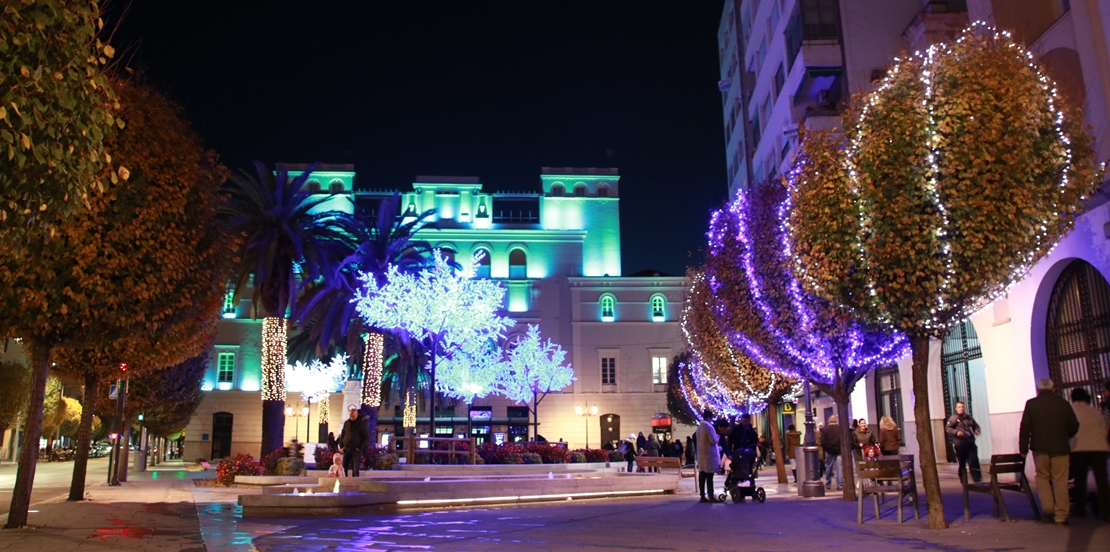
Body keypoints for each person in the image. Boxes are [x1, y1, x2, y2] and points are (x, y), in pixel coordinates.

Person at [1019, 378, 1080, 525]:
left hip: (1040, 448)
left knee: (1042, 478)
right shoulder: (1063, 404)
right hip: (1060, 448)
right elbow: (1074, 426)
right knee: (1060, 480)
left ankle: (1048, 509)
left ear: (1038, 390)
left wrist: (1023, 449)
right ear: (1053, 389)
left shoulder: (1031, 404)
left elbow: (1025, 427)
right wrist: (1065, 435)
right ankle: (1061, 515)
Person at [1069, 387, 1110, 520]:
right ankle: (1107, 511)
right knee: (1102, 480)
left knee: (1080, 479)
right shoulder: (1095, 411)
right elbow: (1104, 428)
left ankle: (1080, 507)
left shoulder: (1071, 410)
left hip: (1079, 448)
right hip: (1099, 448)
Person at [945, 401, 981, 483]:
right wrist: (956, 432)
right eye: (959, 407)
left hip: (970, 443)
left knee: (974, 461)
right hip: (960, 444)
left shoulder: (969, 418)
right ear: (956, 408)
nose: (961, 408)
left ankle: (977, 479)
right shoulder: (953, 418)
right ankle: (963, 479)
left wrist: (976, 430)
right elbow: (948, 428)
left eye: (962, 407)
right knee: (962, 463)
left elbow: (976, 426)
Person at [696, 410, 721, 503]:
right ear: (709, 417)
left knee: (702, 475)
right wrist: (718, 437)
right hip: (709, 454)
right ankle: (711, 495)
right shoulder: (708, 426)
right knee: (710, 476)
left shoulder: (699, 427)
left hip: (701, 454)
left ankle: (702, 495)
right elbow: (713, 441)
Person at [338, 405, 369, 477]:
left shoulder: (362, 424)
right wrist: (341, 446)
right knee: (344, 467)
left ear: (357, 415)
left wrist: (359, 447)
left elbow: (366, 437)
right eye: (350, 416)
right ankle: (344, 482)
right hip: (346, 448)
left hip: (356, 449)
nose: (352, 418)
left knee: (355, 468)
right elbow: (343, 435)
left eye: (353, 416)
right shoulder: (346, 423)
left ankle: (355, 483)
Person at [820, 415, 843, 490]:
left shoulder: (825, 429)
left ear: (829, 420)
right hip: (839, 450)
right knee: (839, 467)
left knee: (829, 467)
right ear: (836, 420)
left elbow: (822, 441)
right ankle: (839, 484)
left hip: (829, 450)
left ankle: (828, 483)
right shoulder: (840, 428)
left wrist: (826, 448)